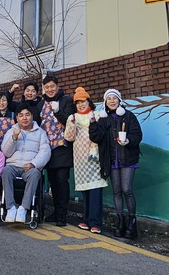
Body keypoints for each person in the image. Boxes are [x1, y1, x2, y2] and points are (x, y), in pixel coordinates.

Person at [89, 88, 143, 239]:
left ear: (120, 100)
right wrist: (93, 123)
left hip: (128, 159)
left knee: (127, 189)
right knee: (116, 191)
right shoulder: (103, 119)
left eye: (114, 98)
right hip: (111, 160)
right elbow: (96, 137)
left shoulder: (129, 116)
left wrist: (128, 141)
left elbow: (138, 135)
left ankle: (132, 223)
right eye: (109, 99)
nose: (112, 101)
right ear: (105, 102)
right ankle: (120, 222)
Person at [64, 87, 107, 234]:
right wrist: (71, 124)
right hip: (80, 159)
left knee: (95, 190)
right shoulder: (73, 117)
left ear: (89, 101)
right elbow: (69, 138)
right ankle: (87, 219)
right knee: (85, 191)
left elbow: (101, 135)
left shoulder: (97, 115)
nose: (81, 105)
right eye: (78, 103)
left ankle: (96, 222)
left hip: (95, 158)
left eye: (83, 101)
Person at [34, 75, 75, 226]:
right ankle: (56, 212)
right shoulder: (41, 103)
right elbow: (37, 123)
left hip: (62, 147)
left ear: (57, 86)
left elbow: (69, 121)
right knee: (52, 181)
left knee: (62, 180)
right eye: (47, 87)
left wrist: (57, 111)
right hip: (47, 148)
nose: (50, 89)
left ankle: (62, 214)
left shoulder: (66, 100)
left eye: (52, 86)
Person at [0, 102, 51, 223]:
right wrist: (14, 139)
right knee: (5, 171)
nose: (24, 118)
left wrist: (34, 164)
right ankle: (10, 208)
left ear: (32, 116)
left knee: (35, 174)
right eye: (21, 115)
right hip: (13, 166)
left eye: (27, 115)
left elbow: (45, 151)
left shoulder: (40, 132)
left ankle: (23, 208)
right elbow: (5, 152)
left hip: (29, 168)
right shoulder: (11, 131)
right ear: (17, 118)